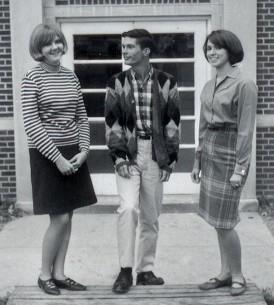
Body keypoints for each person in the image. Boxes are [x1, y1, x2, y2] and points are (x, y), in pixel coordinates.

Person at [21, 24, 97, 295]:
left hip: (73, 152)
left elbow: (82, 117)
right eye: (47, 44)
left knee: (69, 215)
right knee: (60, 219)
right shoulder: (32, 77)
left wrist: (84, 151)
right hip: (46, 155)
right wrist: (57, 159)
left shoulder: (70, 76)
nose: (54, 47)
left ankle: (60, 273)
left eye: (57, 41)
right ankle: (44, 274)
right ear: (38, 50)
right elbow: (32, 124)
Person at [105, 29, 180, 294]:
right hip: (128, 153)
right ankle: (125, 270)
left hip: (155, 154)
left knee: (151, 217)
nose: (123, 51)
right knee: (128, 210)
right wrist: (119, 157)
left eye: (129, 47)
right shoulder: (117, 81)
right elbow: (112, 122)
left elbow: (173, 122)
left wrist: (169, 158)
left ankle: (145, 271)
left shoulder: (166, 81)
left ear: (145, 51)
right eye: (122, 46)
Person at [191, 30, 257, 296]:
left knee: (226, 221)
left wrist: (240, 170)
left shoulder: (244, 84)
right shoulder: (209, 86)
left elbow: (245, 130)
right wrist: (197, 162)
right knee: (217, 220)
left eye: (218, 48)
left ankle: (238, 274)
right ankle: (224, 272)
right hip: (211, 152)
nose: (212, 52)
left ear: (230, 50)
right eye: (208, 48)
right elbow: (203, 126)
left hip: (232, 153)